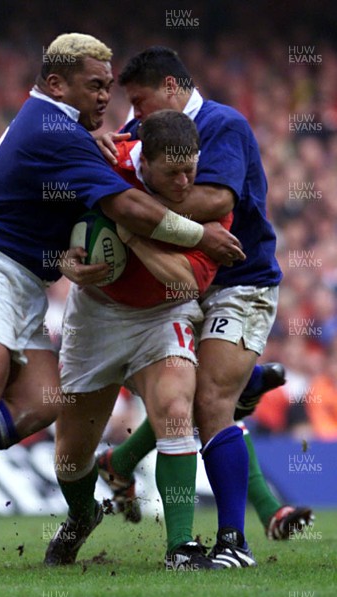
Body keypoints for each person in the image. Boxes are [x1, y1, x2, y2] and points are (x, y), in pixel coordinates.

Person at [0, 34, 244, 535]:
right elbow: (125, 208)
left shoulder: (66, 128)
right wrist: (199, 235)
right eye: (94, 86)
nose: (106, 97)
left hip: (22, 279)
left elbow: (51, 215)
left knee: (38, 405)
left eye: (107, 87)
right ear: (56, 83)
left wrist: (64, 260)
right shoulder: (53, 128)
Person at [95, 46, 312, 563]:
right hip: (184, 286)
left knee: (211, 401)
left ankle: (232, 543)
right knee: (189, 399)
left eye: (142, 102)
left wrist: (132, 210)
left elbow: (216, 200)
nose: (136, 115)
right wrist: (98, 149)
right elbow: (113, 170)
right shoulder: (146, 128)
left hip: (241, 282)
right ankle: (125, 462)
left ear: (172, 87)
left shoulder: (223, 124)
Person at [44, 109, 253, 571]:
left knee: (177, 412)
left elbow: (186, 282)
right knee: (70, 458)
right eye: (172, 173)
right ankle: (83, 515)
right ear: (143, 160)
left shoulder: (213, 203)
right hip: (95, 313)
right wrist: (64, 258)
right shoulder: (106, 160)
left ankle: (181, 546)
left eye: (191, 171)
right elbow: (55, 213)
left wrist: (132, 233)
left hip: (164, 312)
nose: (184, 184)